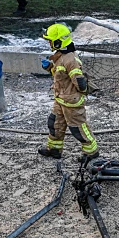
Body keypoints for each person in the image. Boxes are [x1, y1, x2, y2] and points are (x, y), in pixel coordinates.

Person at [37, 24, 99, 160]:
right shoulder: (61, 55)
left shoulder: (71, 59)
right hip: (60, 99)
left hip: (71, 102)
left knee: (78, 129)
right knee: (54, 123)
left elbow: (80, 82)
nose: (49, 43)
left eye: (50, 40)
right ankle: (54, 149)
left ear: (59, 41)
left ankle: (91, 152)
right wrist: (50, 68)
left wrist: (76, 95)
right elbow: (61, 75)